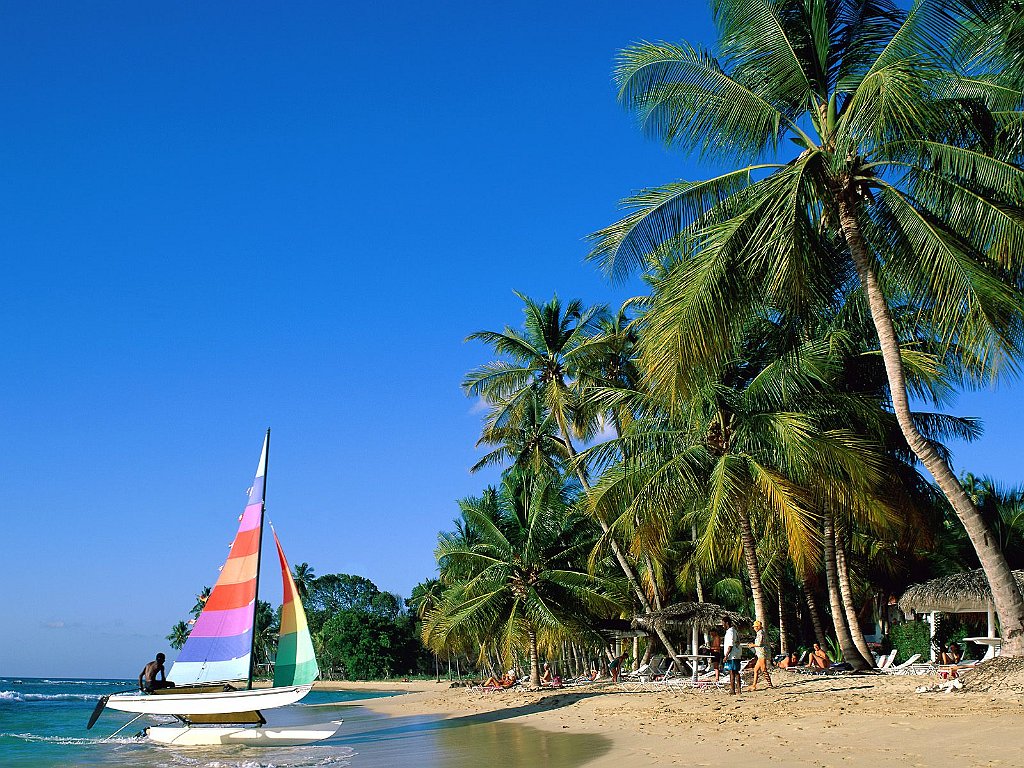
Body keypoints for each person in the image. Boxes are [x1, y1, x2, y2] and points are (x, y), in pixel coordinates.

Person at [747, 620, 774, 691]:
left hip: (762, 653)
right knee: (756, 669)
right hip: (760, 653)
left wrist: (752, 645)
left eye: (755, 627)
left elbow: (759, 644)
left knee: (763, 669)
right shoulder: (761, 633)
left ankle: (770, 684)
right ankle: (754, 685)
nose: (754, 628)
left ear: (758, 627)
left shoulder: (760, 633)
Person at [722, 616, 743, 695]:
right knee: (734, 671)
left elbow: (730, 645)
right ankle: (736, 689)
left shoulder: (731, 632)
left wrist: (726, 655)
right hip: (735, 653)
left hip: (732, 654)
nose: (722, 625)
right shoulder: (733, 631)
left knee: (733, 672)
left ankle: (734, 689)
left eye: (723, 623)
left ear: (727, 623)